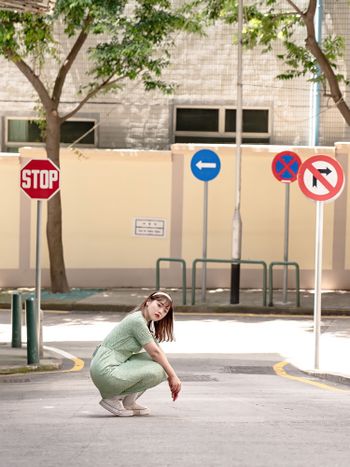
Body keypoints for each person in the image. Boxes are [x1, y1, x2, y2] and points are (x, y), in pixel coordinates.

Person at [90, 291, 181, 417]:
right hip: (105, 370)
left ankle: (129, 401)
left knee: (161, 363)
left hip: (106, 368)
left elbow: (159, 352)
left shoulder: (143, 322)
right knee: (160, 369)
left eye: (165, 311)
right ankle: (112, 398)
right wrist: (173, 377)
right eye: (159, 305)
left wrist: (172, 375)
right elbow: (155, 353)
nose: (161, 311)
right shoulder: (137, 321)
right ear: (148, 302)